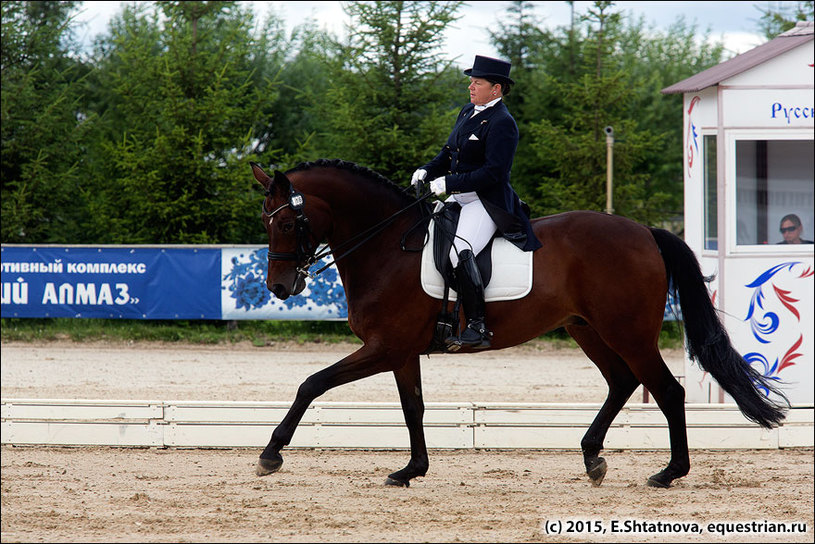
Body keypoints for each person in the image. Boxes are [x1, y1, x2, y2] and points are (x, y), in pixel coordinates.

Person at [411, 55, 542, 352]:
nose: (471, 86)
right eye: (471, 81)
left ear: (495, 89)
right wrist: (428, 170)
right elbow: (448, 153)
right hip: (460, 199)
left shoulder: (503, 123)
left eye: (477, 82)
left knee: (460, 251)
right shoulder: (468, 111)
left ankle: (477, 326)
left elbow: (494, 173)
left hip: (487, 202)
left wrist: (449, 183)